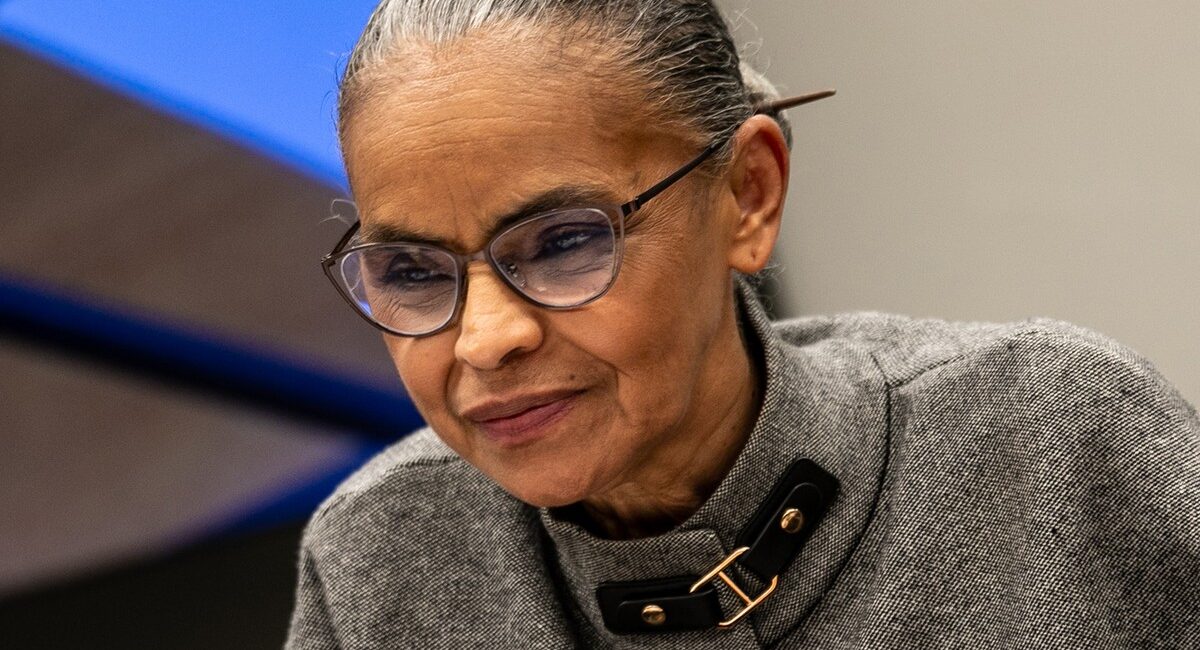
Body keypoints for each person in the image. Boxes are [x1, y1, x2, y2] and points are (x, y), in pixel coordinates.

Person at [287, 1, 1200, 647]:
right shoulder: (378, 560)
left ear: (748, 196)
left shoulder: (1052, 436)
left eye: (564, 242)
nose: (485, 339)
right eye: (412, 272)